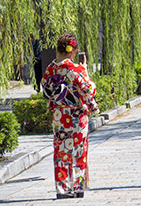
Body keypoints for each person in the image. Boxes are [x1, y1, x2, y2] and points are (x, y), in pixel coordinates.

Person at [41, 33, 99, 199]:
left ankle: (62, 189)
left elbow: (45, 88)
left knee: (61, 151)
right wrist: (86, 72)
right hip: (77, 116)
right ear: (73, 50)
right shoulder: (75, 69)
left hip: (60, 116)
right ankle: (78, 186)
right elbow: (89, 89)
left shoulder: (51, 69)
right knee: (79, 150)